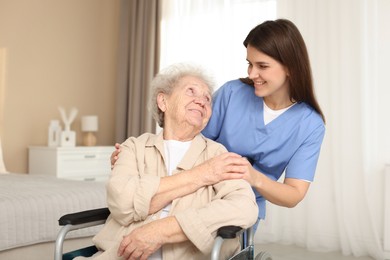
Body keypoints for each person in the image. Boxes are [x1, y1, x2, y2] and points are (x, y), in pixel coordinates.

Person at [111, 18, 326, 231]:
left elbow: (294, 194)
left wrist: (253, 177)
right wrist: (136, 159)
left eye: (262, 66)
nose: (252, 74)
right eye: (249, 64)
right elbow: (184, 137)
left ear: (290, 67)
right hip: (193, 188)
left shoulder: (310, 124)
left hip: (237, 200)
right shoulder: (233, 93)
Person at [88, 63, 258, 260]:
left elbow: (243, 207)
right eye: (191, 91)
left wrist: (161, 230)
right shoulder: (133, 147)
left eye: (207, 98)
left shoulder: (218, 155)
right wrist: (202, 175)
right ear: (163, 101)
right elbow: (122, 204)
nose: (201, 101)